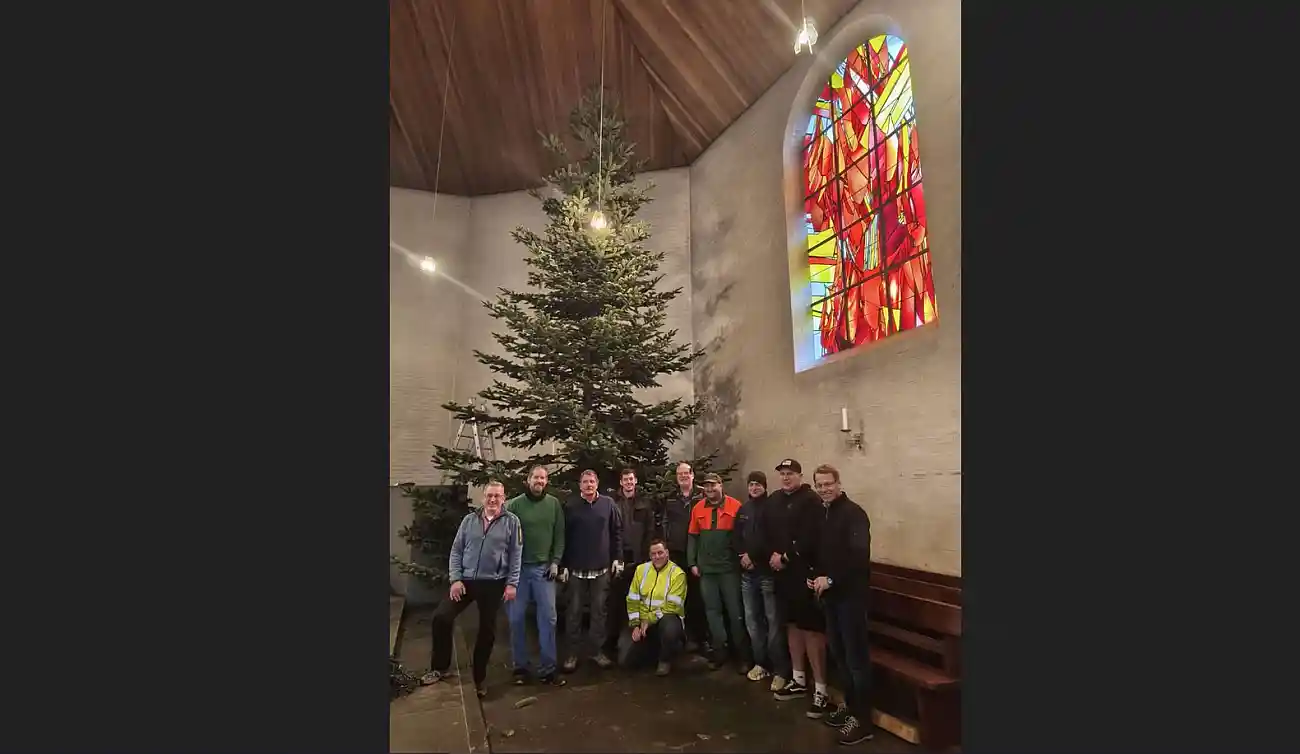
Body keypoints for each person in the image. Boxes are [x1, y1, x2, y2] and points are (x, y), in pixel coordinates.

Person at [424, 481, 521, 699]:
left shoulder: (512, 522)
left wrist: (512, 583)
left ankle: (479, 678)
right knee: (441, 617)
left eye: (497, 496)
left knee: (487, 631)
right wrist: (456, 579)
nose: (493, 500)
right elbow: (456, 550)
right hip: (466, 581)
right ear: (482, 498)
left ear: (504, 498)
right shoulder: (469, 520)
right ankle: (440, 667)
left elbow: (516, 555)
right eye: (489, 496)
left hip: (494, 582)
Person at [808, 464, 875, 745]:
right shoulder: (823, 514)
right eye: (820, 485)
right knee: (840, 656)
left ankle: (864, 722)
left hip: (851, 598)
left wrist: (832, 579)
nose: (824, 489)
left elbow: (858, 558)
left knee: (856, 660)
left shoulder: (854, 514)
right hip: (831, 599)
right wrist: (814, 578)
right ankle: (849, 707)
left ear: (838, 483)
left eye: (828, 484)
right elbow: (824, 554)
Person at [765, 458, 832, 719]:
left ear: (800, 476)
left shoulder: (811, 501)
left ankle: (821, 690)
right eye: (782, 473)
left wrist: (785, 557)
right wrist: (772, 554)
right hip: (783, 577)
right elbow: (769, 530)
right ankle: (798, 678)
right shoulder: (776, 500)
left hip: (805, 575)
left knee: (811, 630)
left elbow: (810, 538)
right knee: (791, 625)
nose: (785, 477)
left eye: (790, 473)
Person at [504, 465, 568, 688]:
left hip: (544, 571)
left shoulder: (553, 505)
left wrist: (556, 561)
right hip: (518, 571)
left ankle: (548, 669)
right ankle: (520, 667)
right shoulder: (514, 505)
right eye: (536, 477)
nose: (540, 481)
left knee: (548, 619)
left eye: (543, 478)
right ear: (528, 480)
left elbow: (559, 535)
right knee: (516, 618)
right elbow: (504, 537)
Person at [559, 469, 623, 672]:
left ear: (597, 483)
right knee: (574, 612)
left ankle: (597, 652)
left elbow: (617, 532)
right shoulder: (570, 506)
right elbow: (563, 537)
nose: (588, 485)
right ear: (580, 485)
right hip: (576, 569)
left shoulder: (608, 504)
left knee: (599, 612)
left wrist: (618, 558)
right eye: (585, 482)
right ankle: (572, 654)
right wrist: (562, 565)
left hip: (602, 568)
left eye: (592, 481)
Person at [687, 472, 751, 671]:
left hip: (729, 570)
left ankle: (742, 656)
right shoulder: (698, 508)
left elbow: (743, 536)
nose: (709, 490)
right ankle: (719, 652)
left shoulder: (736, 506)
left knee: (735, 612)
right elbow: (692, 537)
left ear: (720, 485)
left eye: (713, 486)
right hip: (707, 570)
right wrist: (692, 563)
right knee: (712, 612)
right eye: (706, 486)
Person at [736, 470, 791, 688]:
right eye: (751, 484)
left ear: (765, 486)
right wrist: (742, 556)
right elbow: (736, 536)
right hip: (747, 575)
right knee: (752, 621)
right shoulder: (744, 509)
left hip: (767, 574)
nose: (754, 488)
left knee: (773, 622)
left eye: (758, 484)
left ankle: (780, 669)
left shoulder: (772, 508)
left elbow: (770, 538)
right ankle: (761, 664)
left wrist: (754, 556)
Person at [603, 468, 655, 660]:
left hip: (639, 559)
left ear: (636, 481)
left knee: (637, 600)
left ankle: (635, 640)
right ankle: (611, 640)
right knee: (615, 601)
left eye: (631, 479)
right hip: (618, 560)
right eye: (625, 480)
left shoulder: (644, 503)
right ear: (621, 482)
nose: (628, 483)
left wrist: (645, 557)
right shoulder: (612, 503)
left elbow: (650, 531)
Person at [617, 538, 688, 675]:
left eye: (660, 553)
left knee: (670, 628)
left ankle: (665, 659)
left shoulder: (677, 574)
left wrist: (648, 620)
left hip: (664, 620)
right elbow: (632, 599)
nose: (657, 557)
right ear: (650, 555)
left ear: (667, 553)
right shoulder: (641, 570)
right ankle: (652, 650)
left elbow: (673, 606)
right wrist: (635, 624)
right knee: (624, 661)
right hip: (643, 623)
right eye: (653, 554)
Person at [660, 461, 708, 652]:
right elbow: (664, 522)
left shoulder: (703, 495)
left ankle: (702, 638)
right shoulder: (671, 499)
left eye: (686, 473)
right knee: (681, 597)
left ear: (692, 475)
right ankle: (684, 638)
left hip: (698, 554)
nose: (683, 477)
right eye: (679, 474)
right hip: (677, 553)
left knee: (699, 598)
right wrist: (666, 547)